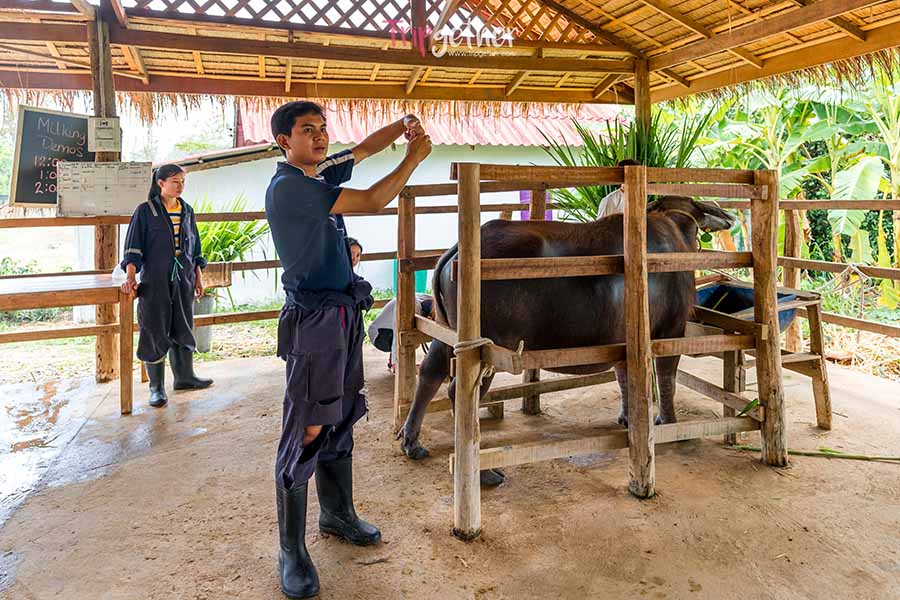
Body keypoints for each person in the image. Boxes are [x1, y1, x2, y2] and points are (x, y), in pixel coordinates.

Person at [265, 100, 431, 600]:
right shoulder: (291, 186)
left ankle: (337, 513)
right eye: (306, 130)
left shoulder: (317, 173)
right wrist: (413, 158)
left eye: (322, 128)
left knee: (339, 416)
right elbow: (374, 199)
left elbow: (362, 150)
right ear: (284, 141)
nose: (319, 136)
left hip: (342, 314)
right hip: (314, 318)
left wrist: (401, 127)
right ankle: (291, 550)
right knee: (309, 424)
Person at [120, 164, 213, 408]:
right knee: (155, 325)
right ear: (161, 183)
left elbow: (195, 248)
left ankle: (184, 377)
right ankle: (156, 388)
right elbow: (133, 247)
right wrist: (131, 277)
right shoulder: (145, 211)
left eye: (183, 181)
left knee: (183, 323)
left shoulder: (187, 210)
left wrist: (198, 277)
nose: (180, 186)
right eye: (175, 181)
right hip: (155, 279)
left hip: (184, 277)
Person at [367, 293, 433, 373]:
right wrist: (396, 363)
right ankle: (399, 362)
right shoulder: (408, 306)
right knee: (410, 337)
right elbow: (398, 332)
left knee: (413, 336)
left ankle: (395, 360)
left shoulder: (427, 299)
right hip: (379, 336)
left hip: (387, 328)